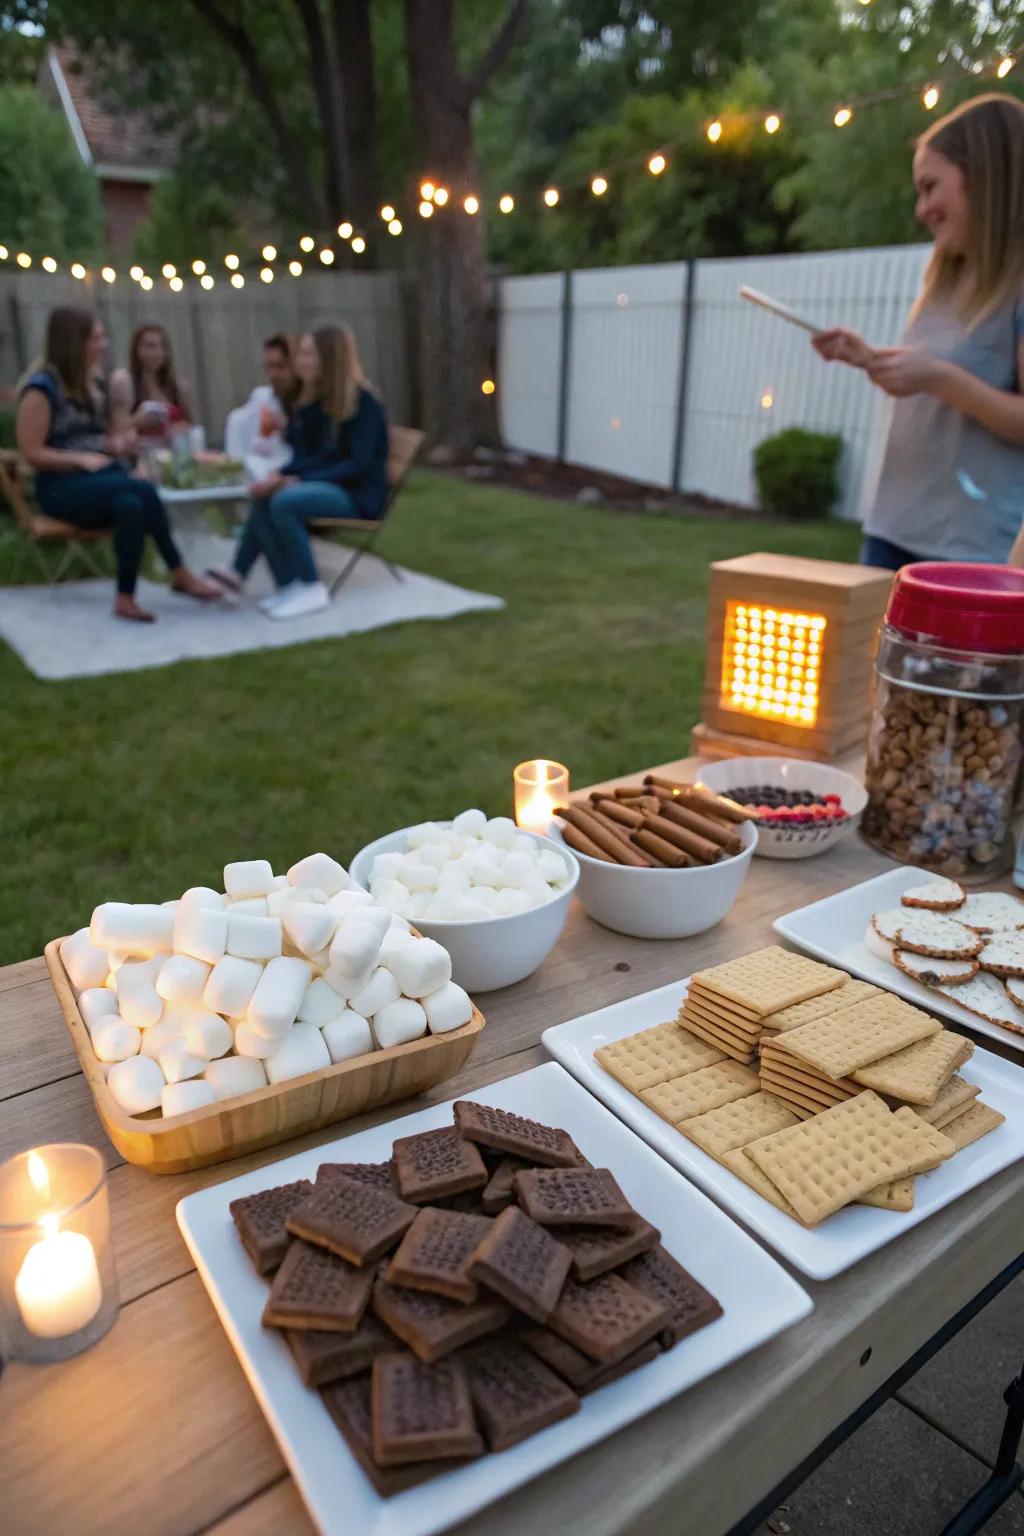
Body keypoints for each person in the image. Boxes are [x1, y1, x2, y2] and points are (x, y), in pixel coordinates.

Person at [812, 93, 1024, 570]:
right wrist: (871, 359)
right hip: (893, 528)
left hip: (970, 552)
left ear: (986, 181)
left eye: (931, 187)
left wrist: (936, 377)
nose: (921, 208)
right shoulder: (946, 278)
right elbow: (932, 380)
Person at [16, 306, 219, 622]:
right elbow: (31, 452)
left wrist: (119, 443)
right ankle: (180, 573)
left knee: (130, 504)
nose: (104, 344)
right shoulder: (42, 389)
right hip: (58, 488)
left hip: (100, 480)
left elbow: (101, 438)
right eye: (96, 338)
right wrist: (80, 459)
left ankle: (125, 597)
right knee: (141, 491)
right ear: (74, 341)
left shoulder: (91, 385)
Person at [208, 323, 389, 620]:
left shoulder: (363, 403)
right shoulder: (313, 402)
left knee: (285, 501)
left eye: (308, 354)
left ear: (329, 358)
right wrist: (280, 477)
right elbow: (308, 456)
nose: (300, 362)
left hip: (356, 493)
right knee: (266, 495)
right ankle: (288, 585)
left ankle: (310, 585)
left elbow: (358, 464)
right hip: (329, 484)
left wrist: (296, 480)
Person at [111, 324, 195, 446]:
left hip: (174, 450)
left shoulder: (177, 384)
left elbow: (192, 426)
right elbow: (117, 431)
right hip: (140, 451)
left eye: (163, 346)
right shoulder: (124, 381)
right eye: (151, 346)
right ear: (137, 349)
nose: (158, 352)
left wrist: (180, 428)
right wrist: (138, 421)